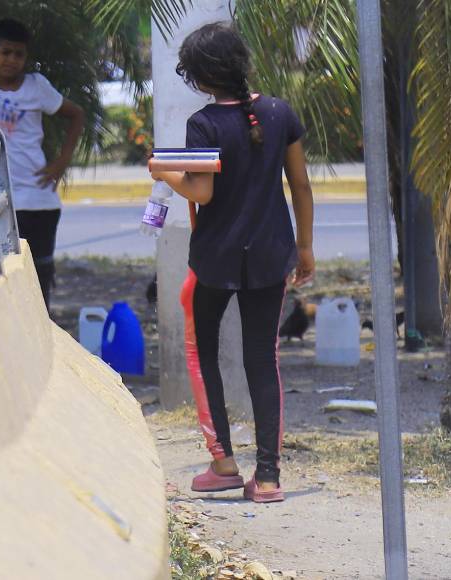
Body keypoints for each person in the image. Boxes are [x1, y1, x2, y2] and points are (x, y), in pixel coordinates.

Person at [150, 22, 315, 503]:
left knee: (202, 352)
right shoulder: (279, 113)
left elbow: (201, 190)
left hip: (215, 258)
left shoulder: (203, 124)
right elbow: (300, 186)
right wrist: (304, 247)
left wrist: (165, 171)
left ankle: (222, 462)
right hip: (271, 253)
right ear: (241, 63)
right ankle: (267, 478)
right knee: (264, 361)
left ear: (199, 78)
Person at [0, 18, 85, 310]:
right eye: (5, 52)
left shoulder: (36, 86)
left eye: (19, 54)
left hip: (38, 200)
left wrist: (62, 162)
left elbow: (77, 114)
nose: (12, 60)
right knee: (0, 278)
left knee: (39, 280)